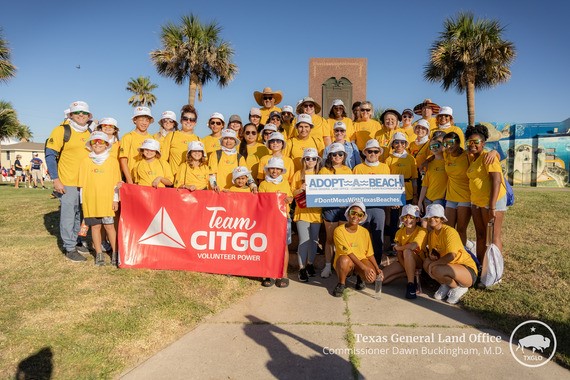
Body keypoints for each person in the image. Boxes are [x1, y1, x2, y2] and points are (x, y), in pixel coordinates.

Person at [45, 101, 94, 261]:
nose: (81, 115)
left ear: (89, 116)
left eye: (84, 113)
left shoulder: (90, 132)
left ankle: (76, 240)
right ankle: (69, 248)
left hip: (85, 182)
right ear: (71, 115)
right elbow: (50, 155)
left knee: (81, 213)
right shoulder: (62, 130)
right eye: (77, 112)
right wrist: (55, 179)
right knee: (68, 214)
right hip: (67, 181)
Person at [78, 131, 121, 266]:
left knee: (109, 226)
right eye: (94, 141)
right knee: (95, 227)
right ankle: (99, 254)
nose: (97, 144)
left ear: (107, 144)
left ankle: (115, 253)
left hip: (107, 201)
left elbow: (116, 184)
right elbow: (82, 186)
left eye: (101, 142)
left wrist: (115, 200)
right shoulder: (85, 161)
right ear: (90, 144)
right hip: (91, 201)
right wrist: (83, 203)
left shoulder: (113, 161)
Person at [465, 124, 507, 263]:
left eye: (476, 142)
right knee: (481, 235)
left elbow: (496, 180)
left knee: (493, 237)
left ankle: (495, 271)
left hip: (491, 202)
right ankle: (481, 266)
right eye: (470, 142)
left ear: (483, 143)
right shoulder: (472, 158)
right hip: (477, 202)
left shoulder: (488, 157)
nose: (472, 145)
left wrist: (493, 206)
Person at [422, 204, 478, 304]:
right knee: (427, 262)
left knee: (435, 268)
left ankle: (459, 288)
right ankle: (447, 285)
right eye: (430, 217)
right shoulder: (431, 235)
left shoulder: (450, 232)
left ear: (442, 219)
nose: (432, 219)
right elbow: (435, 253)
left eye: (436, 217)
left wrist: (434, 264)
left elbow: (452, 255)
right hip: (450, 266)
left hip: (466, 269)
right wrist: (432, 257)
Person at [332, 201, 382, 297]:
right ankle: (341, 283)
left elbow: (369, 253)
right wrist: (364, 268)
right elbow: (348, 253)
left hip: (361, 261)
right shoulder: (339, 231)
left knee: (372, 277)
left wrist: (377, 268)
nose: (355, 216)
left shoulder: (365, 232)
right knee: (344, 260)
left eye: (359, 214)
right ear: (348, 213)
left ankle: (360, 278)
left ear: (362, 217)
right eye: (353, 213)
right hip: (347, 261)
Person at [352, 139, 390, 263]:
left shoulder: (385, 167)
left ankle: (377, 265)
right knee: (360, 237)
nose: (372, 153)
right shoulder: (358, 168)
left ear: (379, 153)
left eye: (375, 151)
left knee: (378, 237)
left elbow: (389, 188)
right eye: (370, 151)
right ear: (365, 153)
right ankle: (360, 265)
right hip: (362, 208)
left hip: (379, 208)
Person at [319, 143, 353, 278]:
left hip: (344, 209)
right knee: (330, 238)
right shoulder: (324, 171)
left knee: (343, 239)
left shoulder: (348, 170)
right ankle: (328, 265)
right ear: (330, 156)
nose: (337, 156)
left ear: (344, 156)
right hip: (330, 208)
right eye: (334, 154)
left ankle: (341, 266)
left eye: (340, 154)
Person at [259, 157, 293, 288]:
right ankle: (269, 273)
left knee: (284, 246)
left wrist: (288, 199)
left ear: (281, 170)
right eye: (272, 168)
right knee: (268, 246)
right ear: (268, 169)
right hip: (268, 219)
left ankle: (283, 274)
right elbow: (261, 202)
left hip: (284, 218)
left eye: (277, 169)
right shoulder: (263, 184)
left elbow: (290, 197)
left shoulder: (285, 183)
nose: (274, 171)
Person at [381, 205, 428, 299]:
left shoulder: (422, 231)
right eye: (405, 217)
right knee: (381, 279)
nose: (408, 220)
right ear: (402, 219)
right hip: (403, 260)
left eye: (412, 217)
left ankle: (410, 285)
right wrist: (404, 263)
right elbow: (398, 254)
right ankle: (408, 274)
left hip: (418, 261)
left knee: (407, 251)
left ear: (417, 219)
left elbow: (413, 245)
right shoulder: (399, 232)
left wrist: (398, 248)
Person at [291, 148, 323, 282]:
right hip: (302, 211)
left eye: (313, 158)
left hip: (316, 211)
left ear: (317, 161)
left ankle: (310, 264)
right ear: (304, 160)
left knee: (314, 239)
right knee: (304, 240)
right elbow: (292, 192)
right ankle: (301, 268)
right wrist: (300, 189)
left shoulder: (320, 174)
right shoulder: (298, 174)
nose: (311, 161)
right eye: (308, 158)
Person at [385, 132, 418, 248]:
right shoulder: (388, 159)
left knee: (408, 217)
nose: (399, 145)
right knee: (394, 218)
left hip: (408, 191)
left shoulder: (410, 159)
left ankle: (407, 242)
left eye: (402, 142)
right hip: (395, 193)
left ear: (406, 144)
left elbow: (414, 178)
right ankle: (394, 243)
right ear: (393, 144)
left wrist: (415, 195)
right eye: (397, 142)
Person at [441, 132, 472, 244]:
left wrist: (494, 153)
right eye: (445, 144)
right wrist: (426, 161)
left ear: (458, 143)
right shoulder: (446, 154)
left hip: (465, 197)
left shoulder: (467, 155)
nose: (448, 146)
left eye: (451, 143)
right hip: (451, 197)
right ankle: (450, 252)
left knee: (461, 230)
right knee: (448, 229)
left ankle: (462, 254)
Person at [161, 104, 201, 176]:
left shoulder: (198, 140)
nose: (188, 121)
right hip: (172, 181)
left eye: (192, 120)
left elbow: (202, 164)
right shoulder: (171, 136)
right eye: (185, 118)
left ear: (195, 123)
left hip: (191, 182)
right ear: (181, 120)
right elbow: (163, 160)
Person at [119, 106, 154, 184]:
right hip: (131, 179)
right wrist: (129, 181)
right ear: (135, 120)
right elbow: (123, 160)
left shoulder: (152, 138)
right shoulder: (128, 137)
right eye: (141, 120)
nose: (144, 123)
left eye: (147, 120)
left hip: (147, 180)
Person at [418, 132, 448, 219]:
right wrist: (420, 202)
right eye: (432, 147)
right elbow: (425, 185)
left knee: (436, 223)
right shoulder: (429, 164)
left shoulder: (447, 161)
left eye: (437, 146)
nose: (434, 148)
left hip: (440, 199)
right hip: (428, 198)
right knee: (428, 224)